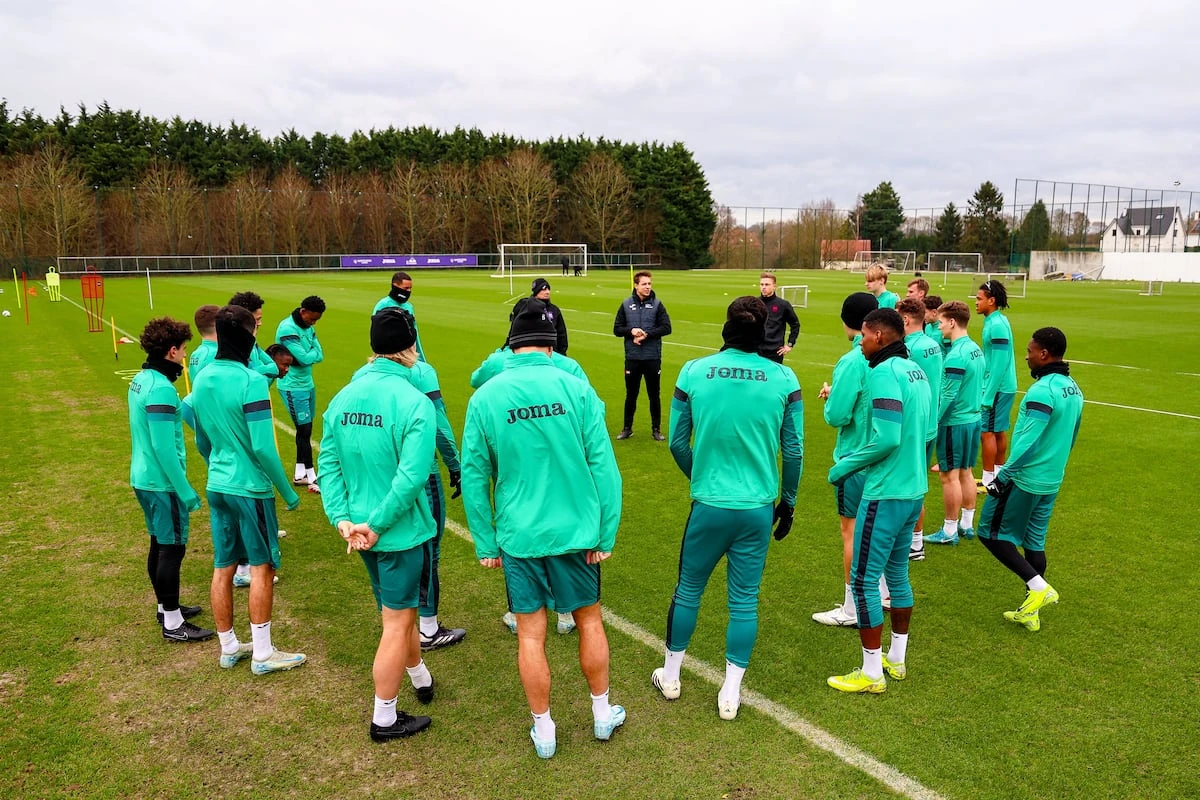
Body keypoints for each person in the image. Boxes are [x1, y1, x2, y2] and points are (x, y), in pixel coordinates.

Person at [460, 304, 625, 759]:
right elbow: (605, 468)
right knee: (589, 619)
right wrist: (605, 532)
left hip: (520, 535)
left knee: (530, 634)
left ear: (512, 344)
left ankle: (545, 729)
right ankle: (601, 713)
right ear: (551, 345)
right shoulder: (577, 388)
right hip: (577, 531)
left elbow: (474, 475)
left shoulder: (486, 396)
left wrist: (485, 540)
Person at [652, 297, 803, 720]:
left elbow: (678, 442)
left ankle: (671, 676)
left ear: (726, 329)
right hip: (756, 508)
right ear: (763, 335)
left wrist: (701, 478)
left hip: (709, 505)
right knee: (744, 600)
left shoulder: (693, 371)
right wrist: (787, 503)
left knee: (688, 590)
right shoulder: (784, 379)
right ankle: (730, 693)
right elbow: (793, 451)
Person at [318, 309, 439, 741]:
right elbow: (412, 479)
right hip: (396, 534)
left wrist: (343, 518)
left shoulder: (344, 396)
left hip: (362, 534)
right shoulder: (414, 402)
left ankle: (421, 677)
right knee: (396, 623)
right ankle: (384, 717)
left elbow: (327, 463)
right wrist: (377, 525)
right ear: (410, 348)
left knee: (399, 613)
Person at [191, 305, 304, 674]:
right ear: (248, 335)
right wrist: (287, 492)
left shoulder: (204, 375)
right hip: (249, 488)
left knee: (223, 566)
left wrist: (217, 458)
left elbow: (194, 426)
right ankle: (262, 653)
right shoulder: (252, 380)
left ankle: (228, 648)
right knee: (262, 567)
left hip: (217, 483)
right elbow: (262, 447)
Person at [350, 310, 468, 652]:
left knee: (385, 549)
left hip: (373, 473)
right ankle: (427, 628)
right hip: (419, 474)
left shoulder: (361, 375)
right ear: (412, 340)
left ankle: (396, 621)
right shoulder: (421, 372)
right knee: (427, 548)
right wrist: (455, 464)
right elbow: (439, 424)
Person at [826, 309, 931, 694]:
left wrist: (844, 467)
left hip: (885, 491)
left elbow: (886, 438)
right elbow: (928, 427)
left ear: (881, 337)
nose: (861, 342)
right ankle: (897, 660)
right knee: (898, 575)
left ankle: (871, 673)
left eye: (865, 336)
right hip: (913, 489)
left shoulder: (884, 373)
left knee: (865, 579)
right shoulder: (915, 370)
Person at [978, 327, 1082, 632]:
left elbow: (1028, 441)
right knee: (1034, 542)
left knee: (990, 533)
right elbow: (1072, 435)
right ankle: (1030, 612)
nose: (1026, 357)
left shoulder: (1042, 391)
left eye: (1030, 351)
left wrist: (1002, 477)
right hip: (1051, 479)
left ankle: (1039, 588)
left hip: (1025, 479)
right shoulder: (1073, 388)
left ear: (1044, 354)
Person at [128, 317, 211, 642]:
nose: (186, 356)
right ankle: (173, 623)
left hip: (143, 477)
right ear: (172, 351)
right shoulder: (161, 388)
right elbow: (163, 446)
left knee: (158, 543)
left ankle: (166, 608)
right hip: (161, 482)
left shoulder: (142, 377)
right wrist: (184, 489)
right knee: (171, 548)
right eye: (184, 350)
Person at [812, 292, 878, 628]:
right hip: (886, 457)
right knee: (878, 529)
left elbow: (838, 415)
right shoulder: (891, 355)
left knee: (851, 531)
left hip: (855, 457)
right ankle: (881, 593)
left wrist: (831, 398)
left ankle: (852, 608)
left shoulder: (853, 360)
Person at [924, 301, 985, 545]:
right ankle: (967, 524)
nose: (938, 327)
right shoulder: (975, 349)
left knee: (949, 476)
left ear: (952, 322)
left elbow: (949, 395)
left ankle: (949, 531)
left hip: (955, 422)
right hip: (974, 419)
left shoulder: (956, 355)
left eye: (940, 322)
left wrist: (935, 421)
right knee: (967, 472)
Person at [897, 298, 943, 561]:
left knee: (905, 486)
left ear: (905, 320)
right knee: (918, 484)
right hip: (930, 424)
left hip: (912, 427)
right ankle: (916, 543)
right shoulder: (932, 345)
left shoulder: (908, 349)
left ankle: (911, 543)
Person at [613, 271, 672, 440]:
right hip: (632, 357)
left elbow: (667, 327)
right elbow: (617, 329)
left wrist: (647, 334)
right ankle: (627, 428)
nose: (647, 287)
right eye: (644, 284)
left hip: (652, 357)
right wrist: (631, 331)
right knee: (631, 394)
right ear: (636, 285)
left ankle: (656, 429)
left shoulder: (657, 305)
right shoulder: (625, 305)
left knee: (654, 394)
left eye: (649, 284)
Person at [275, 295, 326, 492]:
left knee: (305, 429)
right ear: (303, 311)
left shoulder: (308, 327)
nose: (313, 323)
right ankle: (313, 477)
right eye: (311, 319)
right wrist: (310, 354)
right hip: (293, 386)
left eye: (316, 320)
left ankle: (299, 474)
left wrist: (309, 355)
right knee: (304, 431)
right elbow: (305, 358)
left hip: (307, 384)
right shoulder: (287, 329)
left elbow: (319, 354)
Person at [977, 280, 1018, 490]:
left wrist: (988, 394)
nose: (976, 302)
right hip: (1003, 386)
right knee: (998, 430)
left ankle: (988, 479)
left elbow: (1000, 363)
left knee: (988, 432)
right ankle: (998, 475)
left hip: (998, 387)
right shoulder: (997, 321)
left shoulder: (997, 325)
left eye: (979, 299)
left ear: (991, 301)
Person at [228, 292, 281, 380]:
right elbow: (243, 374)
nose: (260, 323)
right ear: (244, 318)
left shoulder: (252, 342)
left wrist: (258, 369)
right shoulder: (233, 346)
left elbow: (274, 368)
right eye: (257, 319)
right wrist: (263, 369)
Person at [374, 272, 426, 361]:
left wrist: (421, 358)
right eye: (406, 288)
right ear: (395, 286)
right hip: (390, 356)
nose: (408, 291)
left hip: (409, 355)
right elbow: (377, 334)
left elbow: (414, 333)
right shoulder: (383, 305)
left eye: (410, 288)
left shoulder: (409, 306)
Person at [511, 278, 568, 355]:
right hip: (527, 353)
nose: (547, 292)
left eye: (548, 289)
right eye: (544, 290)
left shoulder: (554, 310)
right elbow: (513, 330)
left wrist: (561, 354)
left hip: (551, 354)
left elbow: (562, 335)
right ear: (536, 291)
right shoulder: (523, 307)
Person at [757, 272, 800, 363]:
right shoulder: (754, 303)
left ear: (774, 286)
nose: (763, 287)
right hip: (756, 351)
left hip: (775, 352)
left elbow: (795, 324)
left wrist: (790, 344)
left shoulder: (783, 305)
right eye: (762, 284)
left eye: (767, 284)